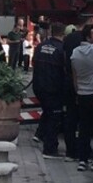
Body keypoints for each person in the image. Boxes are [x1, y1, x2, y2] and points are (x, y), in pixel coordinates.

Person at [69, 25, 93, 172]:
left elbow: (75, 77)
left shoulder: (75, 53)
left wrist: (77, 92)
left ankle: (83, 159)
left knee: (84, 128)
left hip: (82, 94)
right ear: (88, 38)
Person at [31, 22, 69, 159]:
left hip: (38, 87)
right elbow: (64, 71)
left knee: (47, 112)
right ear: (63, 34)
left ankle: (40, 134)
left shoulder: (40, 46)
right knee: (54, 117)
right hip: (53, 88)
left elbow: (33, 64)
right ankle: (50, 149)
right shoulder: (61, 49)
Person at [60, 23, 84, 162]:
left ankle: (70, 152)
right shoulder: (87, 46)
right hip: (85, 87)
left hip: (69, 82)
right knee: (85, 121)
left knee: (70, 117)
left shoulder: (68, 40)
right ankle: (82, 153)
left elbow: (63, 60)